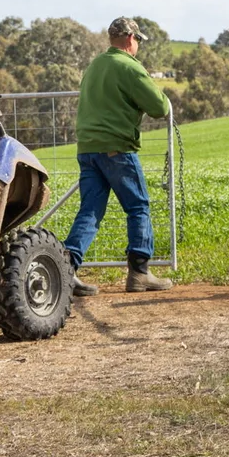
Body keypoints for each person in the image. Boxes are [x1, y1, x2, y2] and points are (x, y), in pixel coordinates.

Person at [64, 17, 174, 295]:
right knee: (137, 206)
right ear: (129, 39)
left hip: (87, 148)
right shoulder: (128, 67)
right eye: (137, 40)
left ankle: (64, 271)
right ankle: (139, 273)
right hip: (116, 149)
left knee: (90, 210)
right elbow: (159, 107)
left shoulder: (95, 65)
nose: (137, 45)